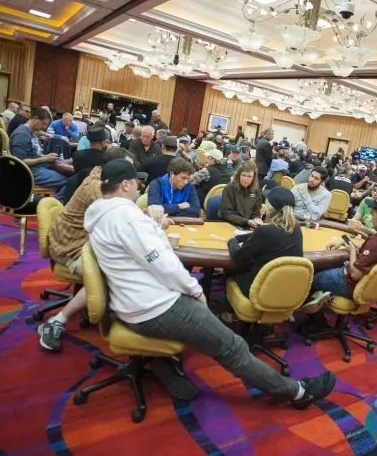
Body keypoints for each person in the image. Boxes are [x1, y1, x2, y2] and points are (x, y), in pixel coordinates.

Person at [84, 160, 336, 408]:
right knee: (233, 347)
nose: (140, 186)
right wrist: (196, 292)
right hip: (153, 308)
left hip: (127, 305)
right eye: (136, 182)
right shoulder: (129, 218)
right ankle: (297, 392)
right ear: (125, 184)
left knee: (214, 328)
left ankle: (164, 362)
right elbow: (165, 265)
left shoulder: (99, 214)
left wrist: (155, 227)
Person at [38, 148, 143, 352]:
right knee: (111, 274)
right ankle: (57, 321)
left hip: (80, 241)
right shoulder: (100, 189)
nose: (131, 176)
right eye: (126, 170)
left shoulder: (103, 178)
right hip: (70, 248)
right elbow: (122, 222)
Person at [302, 194, 377, 311]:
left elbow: (355, 274)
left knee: (309, 275)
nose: (371, 219)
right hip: (372, 286)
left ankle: (313, 314)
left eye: (373, 214)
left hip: (350, 284)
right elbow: (375, 252)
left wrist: (352, 251)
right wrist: (345, 243)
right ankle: (319, 298)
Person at [227, 186, 303, 297]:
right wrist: (241, 237)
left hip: (259, 289)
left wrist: (232, 240)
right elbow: (265, 237)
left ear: (270, 209)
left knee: (231, 271)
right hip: (286, 288)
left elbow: (238, 256)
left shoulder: (264, 231)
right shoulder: (296, 228)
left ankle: (225, 303)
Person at [9, 108, 71, 201]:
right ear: (35, 118)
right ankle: (54, 204)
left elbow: (35, 154)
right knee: (70, 181)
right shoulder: (21, 135)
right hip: (29, 172)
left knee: (67, 170)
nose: (44, 127)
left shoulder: (31, 132)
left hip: (38, 166)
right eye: (43, 123)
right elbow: (20, 162)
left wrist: (46, 157)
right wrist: (43, 159)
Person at [220, 161, 263, 228]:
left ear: (253, 178)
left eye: (249, 176)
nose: (246, 179)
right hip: (230, 224)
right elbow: (227, 213)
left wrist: (256, 219)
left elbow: (256, 212)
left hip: (249, 225)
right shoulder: (229, 188)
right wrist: (246, 221)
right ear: (238, 175)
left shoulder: (256, 190)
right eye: (243, 175)